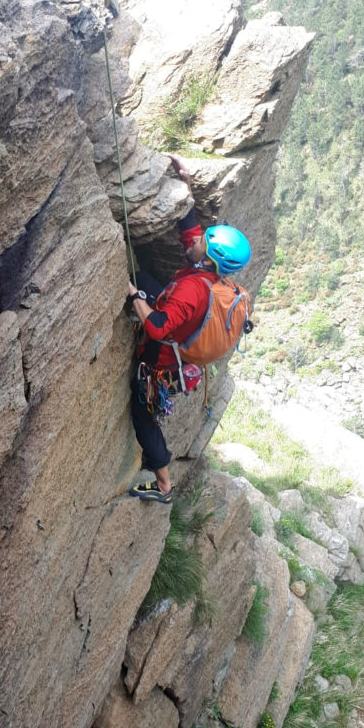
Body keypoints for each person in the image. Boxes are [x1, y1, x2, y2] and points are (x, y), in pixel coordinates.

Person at [127, 156, 252, 503]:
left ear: (208, 256)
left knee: (142, 415)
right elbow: (190, 232)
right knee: (143, 278)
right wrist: (186, 188)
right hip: (180, 341)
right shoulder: (212, 277)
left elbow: (156, 326)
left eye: (204, 240)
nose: (196, 240)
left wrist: (131, 293)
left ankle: (164, 486)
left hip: (162, 359)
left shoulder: (193, 289)